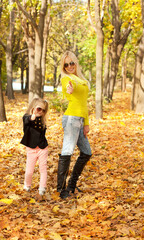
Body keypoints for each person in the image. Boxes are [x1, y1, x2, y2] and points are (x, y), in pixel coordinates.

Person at [57, 51, 92, 199]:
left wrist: (86, 123)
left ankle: (71, 185)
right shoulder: (66, 79)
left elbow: (83, 104)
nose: (69, 66)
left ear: (76, 63)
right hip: (71, 119)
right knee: (67, 151)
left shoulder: (80, 79)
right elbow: (69, 89)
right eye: (66, 64)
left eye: (71, 63)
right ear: (63, 67)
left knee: (86, 152)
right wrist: (70, 90)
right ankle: (61, 189)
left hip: (80, 120)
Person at [20, 98, 48, 196]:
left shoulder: (42, 120)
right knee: (29, 171)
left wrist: (39, 114)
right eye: (39, 109)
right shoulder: (27, 117)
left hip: (42, 147)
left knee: (43, 169)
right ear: (33, 108)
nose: (41, 112)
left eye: (43, 110)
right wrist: (33, 115)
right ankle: (27, 185)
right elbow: (27, 120)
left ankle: (42, 188)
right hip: (31, 148)